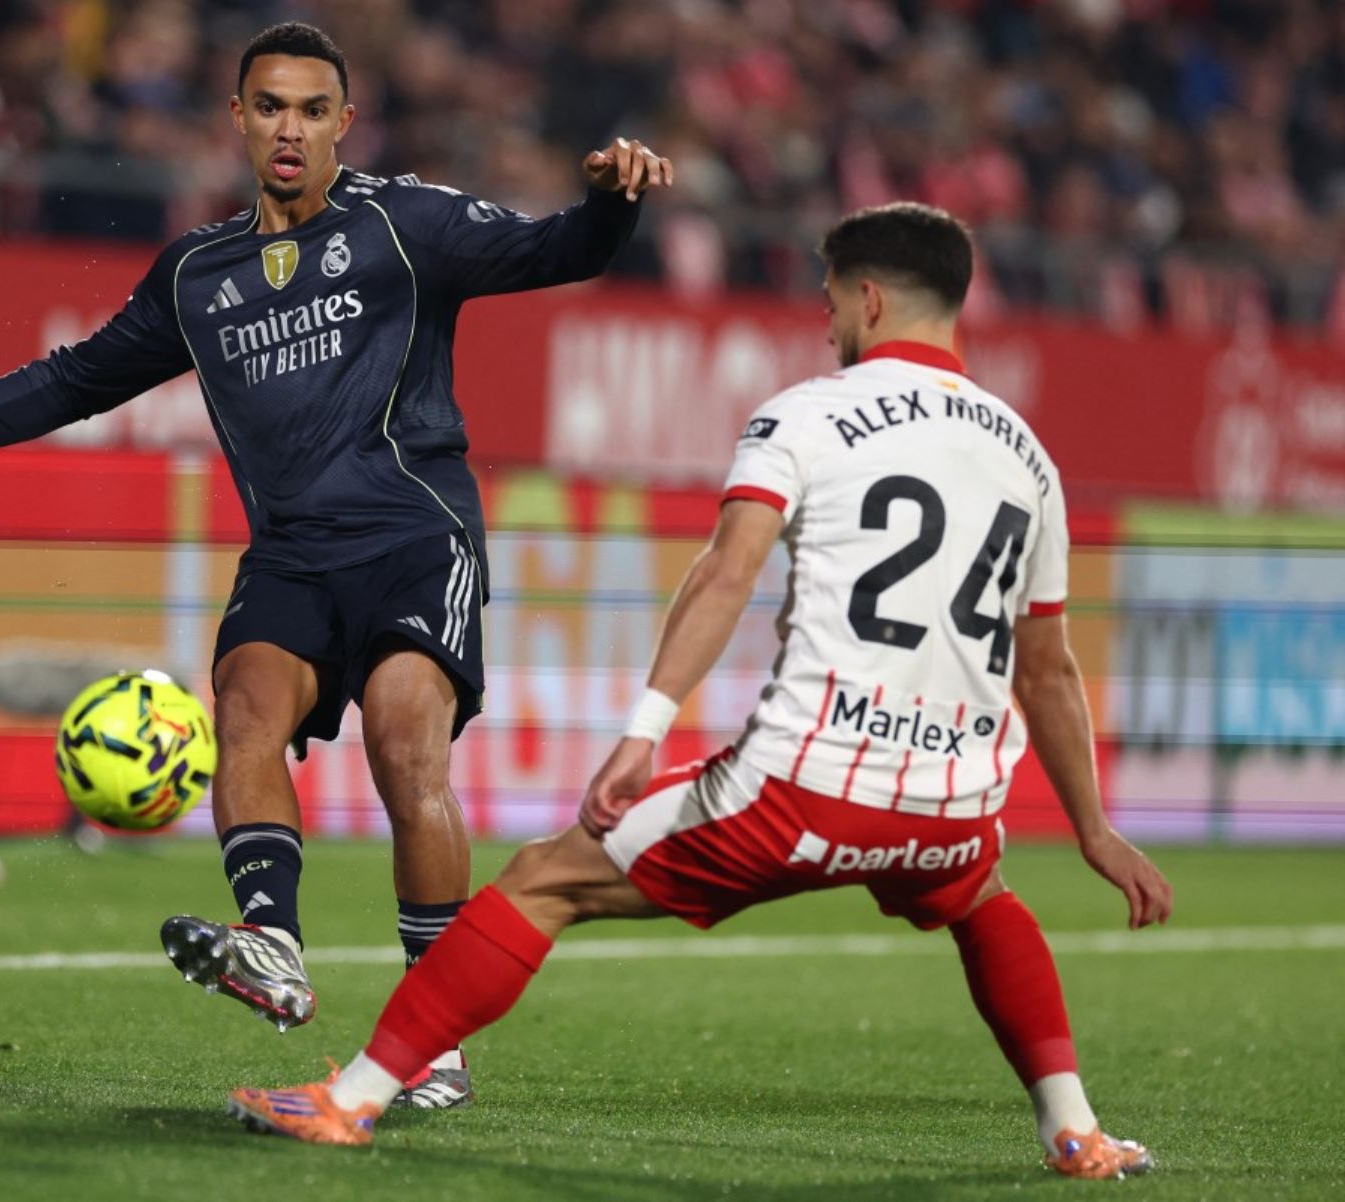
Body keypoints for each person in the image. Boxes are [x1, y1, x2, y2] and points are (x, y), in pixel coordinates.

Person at [225, 202, 1173, 1181]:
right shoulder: (1029, 457)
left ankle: (352, 1099)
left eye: (830, 300)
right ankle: (1075, 1131)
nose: (827, 324)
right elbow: (1048, 667)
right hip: (951, 804)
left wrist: (646, 729)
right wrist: (1095, 831)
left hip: (802, 787)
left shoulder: (808, 414)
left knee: (544, 878)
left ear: (869, 298)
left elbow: (726, 573)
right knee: (982, 895)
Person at [0, 22, 670, 1109]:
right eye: (271, 107)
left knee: (404, 741)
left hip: (414, 535)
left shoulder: (404, 224)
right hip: (291, 551)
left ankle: (433, 1034)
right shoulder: (198, 274)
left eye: (312, 110)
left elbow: (560, 250)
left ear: (345, 122)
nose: (291, 128)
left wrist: (613, 201)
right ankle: (272, 941)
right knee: (242, 705)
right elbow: (77, 379)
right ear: (237, 117)